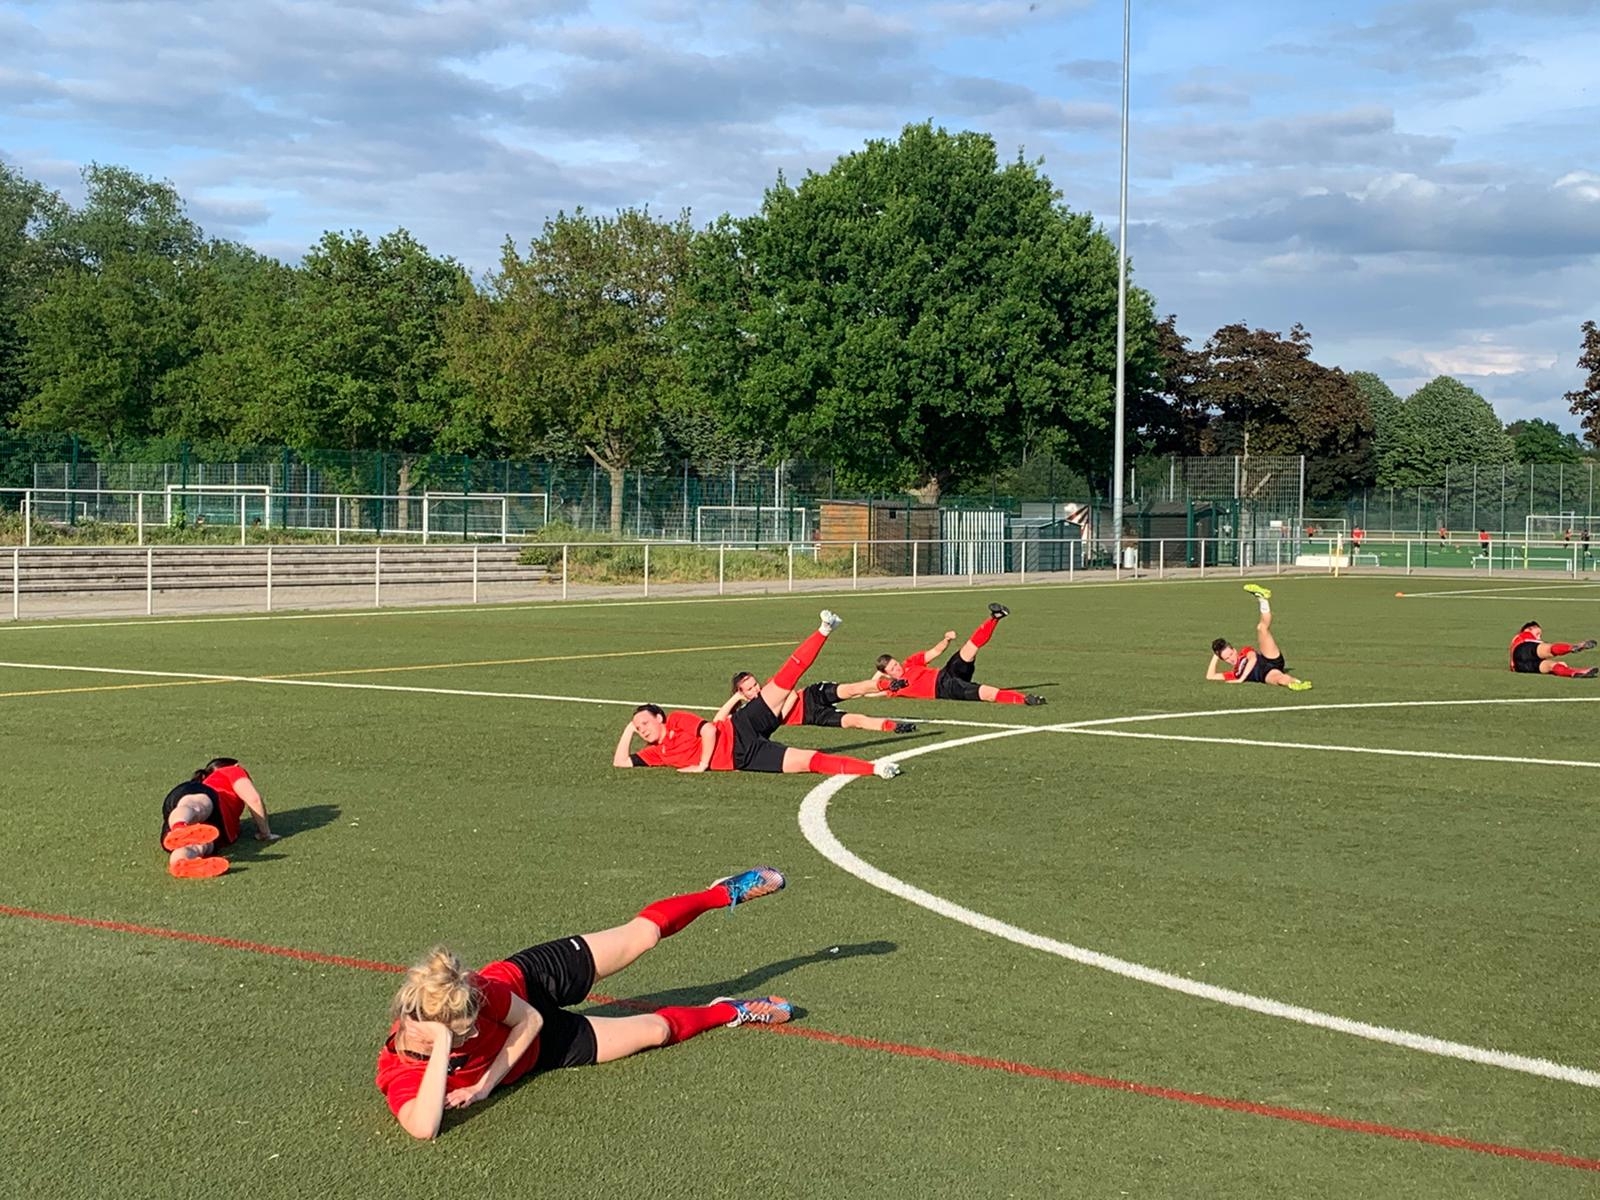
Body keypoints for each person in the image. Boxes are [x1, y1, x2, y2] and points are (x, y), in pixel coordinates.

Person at [377, 866, 794, 1140]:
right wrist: (445, 1044)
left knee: (643, 936)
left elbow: (530, 1020)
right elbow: (424, 1128)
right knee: (656, 1031)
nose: (471, 1033)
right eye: (461, 1033)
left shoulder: (473, 988)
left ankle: (720, 893)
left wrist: (484, 1084)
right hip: (542, 1051)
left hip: (532, 983)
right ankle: (728, 1010)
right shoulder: (401, 1073)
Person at [614, 611, 901, 779]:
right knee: (809, 761)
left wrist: (702, 765)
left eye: (644, 722)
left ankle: (825, 629)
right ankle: (876, 769)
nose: (642, 729)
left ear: (659, 717)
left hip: (740, 727)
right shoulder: (655, 753)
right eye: (639, 727)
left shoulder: (676, 720)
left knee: (784, 680)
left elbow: (710, 730)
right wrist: (629, 728)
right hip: (743, 757)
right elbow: (621, 762)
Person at [866, 604, 1045, 706]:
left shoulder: (910, 663)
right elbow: (868, 693)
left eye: (895, 664)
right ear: (887, 674)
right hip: (944, 689)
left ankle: (995, 617)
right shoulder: (893, 688)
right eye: (892, 669)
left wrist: (946, 640)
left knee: (969, 648)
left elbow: (935, 652)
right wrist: (880, 674)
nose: (897, 668)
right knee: (985, 692)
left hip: (945, 673)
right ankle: (1025, 699)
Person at [159, 757, 279, 879]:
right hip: (212, 807)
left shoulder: (206, 782)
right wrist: (265, 833)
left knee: (197, 841)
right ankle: (180, 828)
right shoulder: (232, 770)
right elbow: (254, 799)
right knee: (198, 808)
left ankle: (181, 861)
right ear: (237, 765)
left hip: (188, 816)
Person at [714, 672, 918, 735]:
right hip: (812, 716)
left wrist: (776, 717)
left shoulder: (769, 690)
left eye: (755, 684)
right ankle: (895, 726)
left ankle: (890, 684)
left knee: (850, 689)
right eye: (749, 689)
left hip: (811, 696)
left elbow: (792, 695)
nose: (756, 689)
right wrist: (735, 699)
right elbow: (717, 722)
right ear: (742, 692)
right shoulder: (749, 713)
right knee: (853, 721)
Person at [1206, 584, 1314, 691]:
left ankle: (1262, 599)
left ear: (1234, 650)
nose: (1231, 659)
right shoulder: (1234, 673)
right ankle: (1298, 683)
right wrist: (1216, 654)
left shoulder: (1244, 652)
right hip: (1265, 673)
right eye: (1226, 658)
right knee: (1280, 679)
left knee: (1261, 628)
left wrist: (1241, 679)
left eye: (1230, 654)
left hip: (1269, 657)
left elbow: (1253, 659)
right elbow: (1210, 676)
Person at [1508, 621, 1598, 678]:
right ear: (1529, 629)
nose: (1539, 637)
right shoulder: (1524, 635)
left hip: (1520, 667)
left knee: (1552, 666)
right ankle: (1572, 648)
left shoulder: (1517, 640)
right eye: (1538, 634)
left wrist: (1513, 664)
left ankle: (1573, 672)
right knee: (1549, 649)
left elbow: (1512, 653)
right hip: (1523, 649)